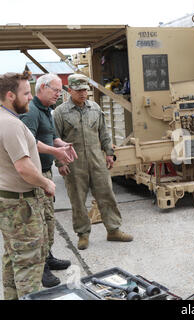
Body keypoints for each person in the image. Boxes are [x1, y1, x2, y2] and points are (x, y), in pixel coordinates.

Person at [53, 74, 133, 250]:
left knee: (106, 195)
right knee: (78, 200)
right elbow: (55, 138)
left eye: (85, 90)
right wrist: (60, 162)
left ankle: (113, 230)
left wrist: (109, 153)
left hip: (97, 160)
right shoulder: (60, 112)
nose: (83, 94)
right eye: (79, 90)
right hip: (74, 163)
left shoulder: (95, 108)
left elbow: (104, 133)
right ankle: (83, 234)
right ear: (70, 90)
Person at [0, 71, 56, 299]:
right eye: (26, 93)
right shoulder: (11, 124)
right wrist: (46, 183)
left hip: (9, 200)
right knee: (29, 264)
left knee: (13, 257)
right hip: (21, 205)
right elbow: (23, 168)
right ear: (11, 96)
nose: (31, 98)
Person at [20, 73, 77, 288]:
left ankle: (48, 256)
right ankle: (41, 267)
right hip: (35, 174)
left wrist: (62, 146)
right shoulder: (32, 111)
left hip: (46, 170)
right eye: (55, 89)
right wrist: (55, 150)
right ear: (42, 87)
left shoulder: (47, 110)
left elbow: (50, 136)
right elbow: (28, 142)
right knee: (40, 222)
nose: (58, 94)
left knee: (48, 219)